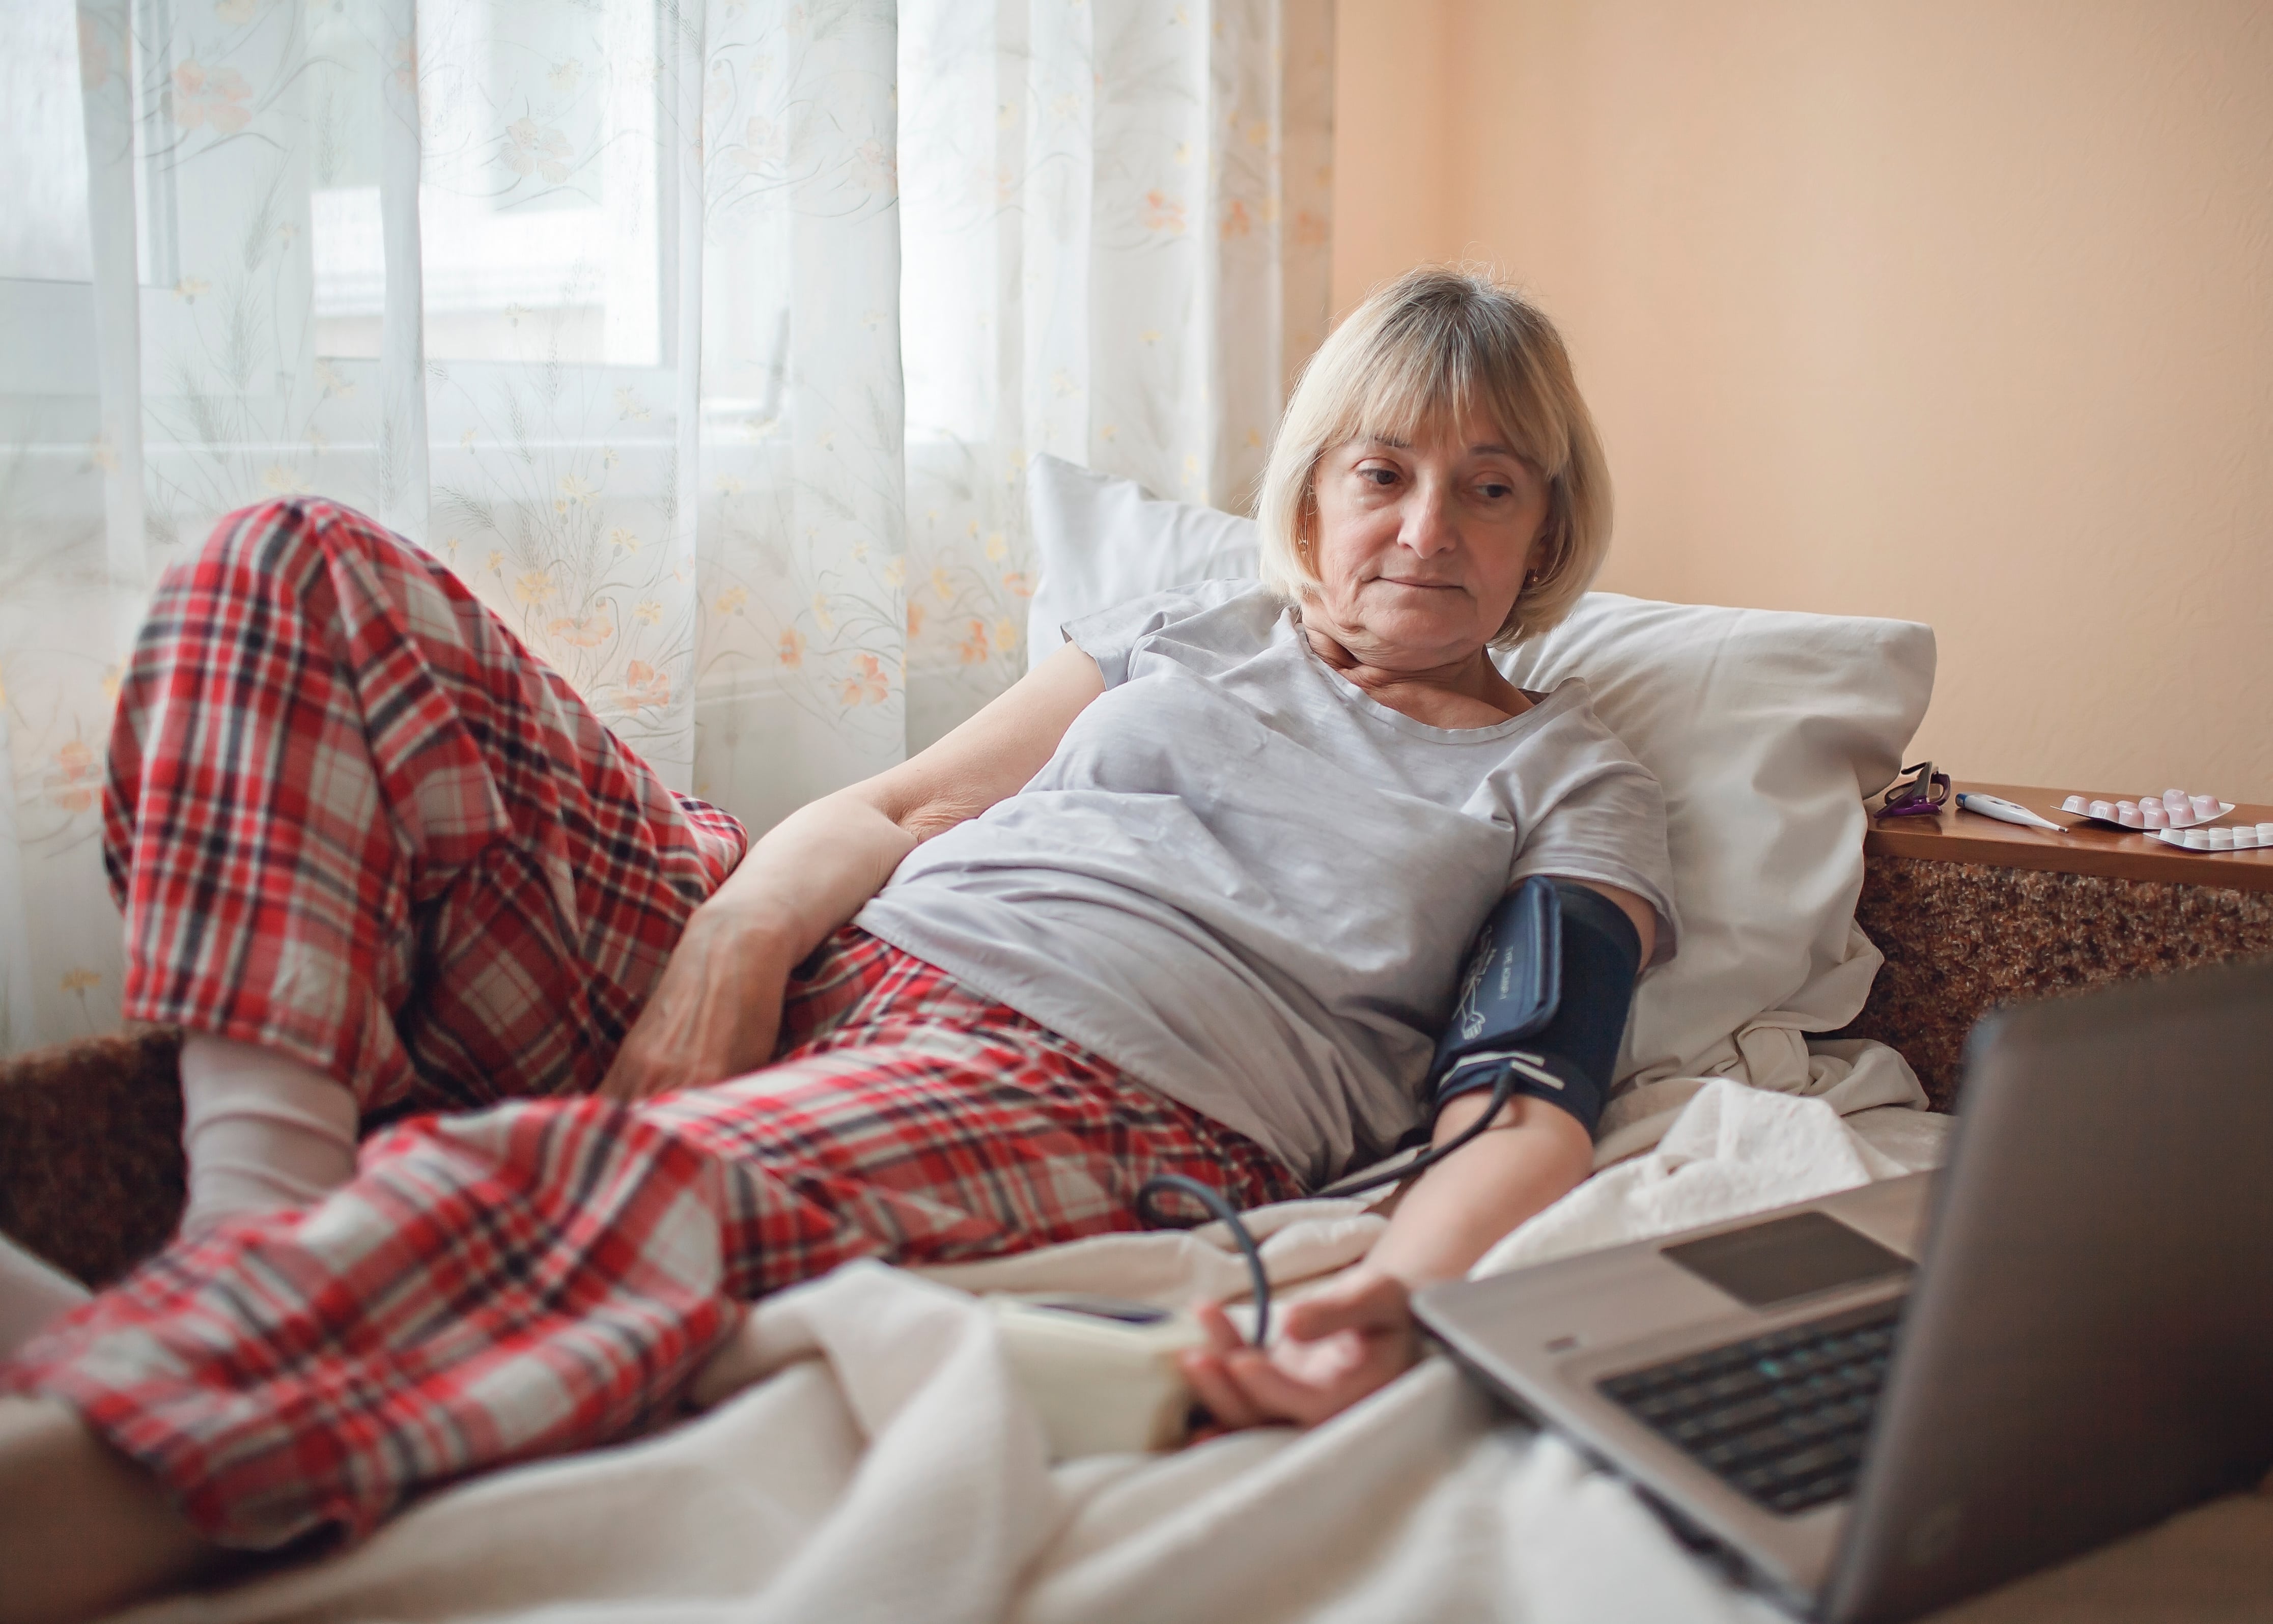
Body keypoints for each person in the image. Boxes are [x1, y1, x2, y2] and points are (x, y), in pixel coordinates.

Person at [0, 265, 1675, 1623]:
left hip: (1077, 1079)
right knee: (295, 567)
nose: (1426, 529)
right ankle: (258, 1239)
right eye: (1382, 471)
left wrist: (1393, 1286)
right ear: (1313, 492)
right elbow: (892, 809)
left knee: (560, 1192)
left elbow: (1525, 1095)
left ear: (1547, 528)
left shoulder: (1561, 773)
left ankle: (150, 1397)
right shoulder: (1191, 627)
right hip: (815, 949)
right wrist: (729, 944)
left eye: (1489, 486)